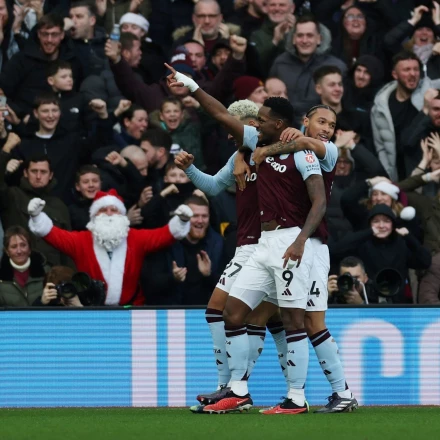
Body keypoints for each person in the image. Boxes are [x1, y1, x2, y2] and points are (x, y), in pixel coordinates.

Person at [166, 66, 356, 414]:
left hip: (299, 244)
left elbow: (319, 197)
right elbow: (221, 115)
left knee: (301, 323)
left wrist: (298, 240)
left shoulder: (312, 152)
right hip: (264, 245)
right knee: (233, 313)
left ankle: (301, 397)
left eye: (263, 120)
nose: (256, 123)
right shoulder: (257, 145)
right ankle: (237, 389)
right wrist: (191, 84)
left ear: (280, 125)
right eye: (321, 122)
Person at [27, 189, 193, 306]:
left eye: (114, 209)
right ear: (93, 216)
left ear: (121, 215)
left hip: (131, 311)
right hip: (93, 313)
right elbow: (54, 235)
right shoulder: (81, 240)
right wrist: (37, 217)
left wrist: (182, 221)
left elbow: (163, 235)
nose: (108, 213)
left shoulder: (135, 238)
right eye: (103, 209)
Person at [329, 204, 431, 304]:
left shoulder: (401, 245)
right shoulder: (363, 244)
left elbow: (425, 261)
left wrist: (409, 237)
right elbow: (335, 250)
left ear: (393, 224)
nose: (381, 226)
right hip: (366, 300)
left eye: (386, 221)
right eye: (376, 221)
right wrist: (368, 232)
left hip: (397, 303)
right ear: (370, 224)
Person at [0, 134, 72, 267]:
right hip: (20, 270)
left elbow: (68, 248)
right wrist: (6, 150)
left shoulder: (59, 205)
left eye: (43, 172)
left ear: (50, 175)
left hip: (53, 273)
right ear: (25, 173)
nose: (38, 176)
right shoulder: (12, 195)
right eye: (34, 171)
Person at [371, 51, 440, 181]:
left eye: (415, 69)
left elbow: (408, 142)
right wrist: (387, 174)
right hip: (396, 171)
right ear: (395, 74)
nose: (413, 74)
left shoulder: (432, 97)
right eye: (407, 70)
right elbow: (380, 146)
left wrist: (426, 109)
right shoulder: (381, 105)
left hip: (426, 170)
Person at [142, 195, 223, 305]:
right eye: (195, 216)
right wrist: (173, 278)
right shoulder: (167, 242)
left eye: (204, 216)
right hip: (173, 314)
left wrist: (209, 275)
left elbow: (229, 289)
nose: (200, 221)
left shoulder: (217, 244)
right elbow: (148, 284)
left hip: (205, 314)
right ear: (184, 217)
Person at [0, 12, 83, 118]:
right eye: (45, 34)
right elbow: (2, 90)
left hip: (64, 122)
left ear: (62, 35)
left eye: (54, 35)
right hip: (24, 121)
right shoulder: (21, 60)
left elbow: (78, 93)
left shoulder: (72, 60)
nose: (49, 40)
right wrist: (13, 117)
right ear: (38, 34)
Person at [270, 14, 347, 126]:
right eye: (300, 35)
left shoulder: (337, 66)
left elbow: (344, 104)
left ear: (319, 39)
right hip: (284, 128)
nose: (304, 40)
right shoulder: (280, 63)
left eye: (310, 35)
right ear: (294, 39)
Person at [384, 3, 440, 79]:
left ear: (434, 37)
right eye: (419, 29)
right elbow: (389, 40)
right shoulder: (404, 54)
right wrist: (413, 21)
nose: (424, 33)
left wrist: (437, 23)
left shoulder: (437, 56)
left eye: (428, 30)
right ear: (413, 36)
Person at [0, 226, 48, 307]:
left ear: (29, 249)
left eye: (23, 245)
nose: (19, 251)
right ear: (7, 251)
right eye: (14, 247)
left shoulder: (46, 272)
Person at [249, 0, 296, 75]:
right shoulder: (256, 35)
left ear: (292, 8)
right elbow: (255, 66)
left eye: (282, 5)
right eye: (272, 5)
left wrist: (293, 34)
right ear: (267, 8)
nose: (277, 9)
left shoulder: (306, 30)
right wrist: (274, 42)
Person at [68, 165, 102, 231]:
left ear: (101, 184)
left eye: (95, 181)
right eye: (85, 182)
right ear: (77, 186)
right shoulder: (71, 211)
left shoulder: (110, 206)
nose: (91, 185)